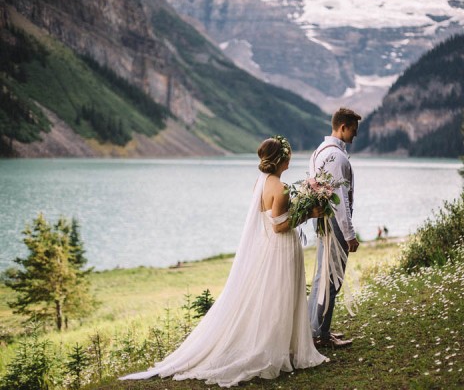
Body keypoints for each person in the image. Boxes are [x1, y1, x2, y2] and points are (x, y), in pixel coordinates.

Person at [120, 136, 327, 387]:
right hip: (280, 249)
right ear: (282, 159)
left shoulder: (260, 184)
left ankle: (284, 345)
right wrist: (308, 213)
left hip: (265, 249)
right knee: (280, 296)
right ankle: (277, 349)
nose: (290, 159)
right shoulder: (280, 189)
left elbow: (268, 219)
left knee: (270, 296)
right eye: (289, 156)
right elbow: (279, 226)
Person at [308, 107, 361, 348]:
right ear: (342, 127)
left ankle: (318, 329)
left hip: (324, 224)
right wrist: (350, 235)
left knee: (323, 277)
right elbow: (340, 202)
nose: (355, 135)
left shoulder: (319, 152)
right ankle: (320, 335)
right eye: (353, 130)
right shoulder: (337, 158)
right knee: (331, 279)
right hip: (335, 225)